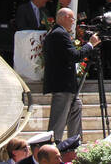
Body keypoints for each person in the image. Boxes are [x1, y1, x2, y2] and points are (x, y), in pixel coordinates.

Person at [43, 8, 100, 142]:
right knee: (58, 122)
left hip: (66, 85)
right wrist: (90, 44)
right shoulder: (59, 34)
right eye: (72, 19)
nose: (74, 22)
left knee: (76, 107)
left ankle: (74, 143)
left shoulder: (58, 32)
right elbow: (75, 56)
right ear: (63, 18)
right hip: (62, 85)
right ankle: (51, 147)